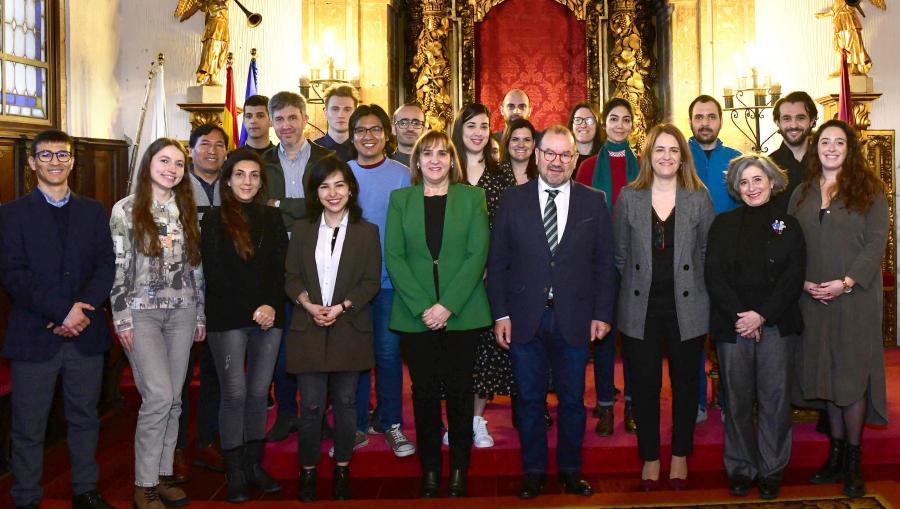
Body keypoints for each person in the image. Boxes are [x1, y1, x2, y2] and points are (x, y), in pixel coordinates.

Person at [488, 125, 616, 500]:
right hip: (525, 317)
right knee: (528, 401)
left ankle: (571, 471)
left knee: (574, 401)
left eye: (565, 155)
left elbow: (605, 265)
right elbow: (498, 263)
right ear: (537, 155)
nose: (557, 161)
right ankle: (533, 472)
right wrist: (500, 314)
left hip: (574, 319)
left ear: (575, 159)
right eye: (550, 153)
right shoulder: (513, 199)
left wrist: (603, 314)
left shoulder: (594, 201)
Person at [0, 130, 116, 509]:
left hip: (85, 331)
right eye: (46, 155)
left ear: (72, 161)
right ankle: (27, 497)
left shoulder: (92, 210)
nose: (55, 162)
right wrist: (59, 312)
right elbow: (13, 273)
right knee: (29, 425)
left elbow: (105, 266)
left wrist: (81, 309)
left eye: (62, 155)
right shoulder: (11, 214)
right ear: (31, 162)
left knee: (84, 417)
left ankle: (85, 489)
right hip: (35, 335)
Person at [385, 129, 492, 498]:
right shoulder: (401, 199)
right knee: (425, 394)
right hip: (416, 317)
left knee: (461, 393)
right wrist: (423, 307)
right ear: (417, 161)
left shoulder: (472, 197)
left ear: (452, 160)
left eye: (442, 154)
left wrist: (447, 305)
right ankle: (430, 468)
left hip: (461, 314)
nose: (434, 160)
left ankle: (460, 467)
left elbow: (476, 255)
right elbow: (394, 257)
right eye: (427, 154)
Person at [789, 119, 889, 498]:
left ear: (850, 148)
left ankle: (852, 462)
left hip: (854, 298)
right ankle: (833, 457)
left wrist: (845, 282)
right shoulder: (801, 193)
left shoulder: (870, 190)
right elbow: (789, 241)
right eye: (825, 142)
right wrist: (799, 281)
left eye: (839, 142)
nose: (831, 147)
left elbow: (877, 243)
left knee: (850, 375)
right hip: (812, 299)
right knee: (826, 375)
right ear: (816, 148)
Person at [614, 123, 715, 491]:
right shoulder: (629, 196)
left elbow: (706, 252)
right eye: (659, 150)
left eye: (673, 150)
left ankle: (680, 455)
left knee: (687, 384)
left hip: (687, 306)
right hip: (640, 308)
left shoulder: (698, 197)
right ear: (648, 156)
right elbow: (621, 255)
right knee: (644, 385)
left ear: (682, 156)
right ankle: (652, 457)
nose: (667, 156)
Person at [109, 137, 206, 509]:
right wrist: (121, 320)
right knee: (159, 396)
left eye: (179, 164)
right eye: (164, 161)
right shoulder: (126, 209)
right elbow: (117, 268)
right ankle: (144, 484)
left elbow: (195, 264)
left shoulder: (185, 207)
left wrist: (199, 314)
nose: (171, 169)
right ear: (149, 163)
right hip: (141, 313)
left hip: (182, 313)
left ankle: (163, 474)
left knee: (176, 399)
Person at [705, 154, 805, 500]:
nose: (751, 187)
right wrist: (744, 318)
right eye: (744, 182)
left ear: (772, 183)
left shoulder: (788, 225)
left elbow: (793, 279)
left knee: (775, 400)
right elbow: (714, 277)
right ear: (735, 187)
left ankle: (772, 469)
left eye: (757, 180)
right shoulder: (723, 224)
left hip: (777, 324)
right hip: (733, 326)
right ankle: (741, 468)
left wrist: (762, 315)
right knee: (736, 400)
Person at [285, 156, 382, 502]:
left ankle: (342, 467)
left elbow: (371, 281)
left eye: (339, 184)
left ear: (351, 189)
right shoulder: (303, 229)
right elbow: (291, 276)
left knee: (344, 404)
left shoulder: (366, 232)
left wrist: (341, 307)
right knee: (310, 407)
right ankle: (307, 471)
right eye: (324, 186)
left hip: (349, 327)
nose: (333, 192)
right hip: (308, 327)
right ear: (316, 192)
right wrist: (308, 304)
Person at [200, 149, 287, 502]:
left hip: (269, 315)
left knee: (257, 393)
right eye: (240, 175)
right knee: (234, 393)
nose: (247, 182)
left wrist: (269, 305)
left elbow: (281, 266)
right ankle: (234, 470)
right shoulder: (214, 219)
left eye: (254, 175)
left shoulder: (272, 218)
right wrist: (254, 307)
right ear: (228, 179)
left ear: (261, 181)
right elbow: (216, 274)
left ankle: (254, 465)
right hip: (228, 316)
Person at [263, 91, 335, 442]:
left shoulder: (327, 157)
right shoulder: (260, 162)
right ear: (272, 123)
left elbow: (323, 205)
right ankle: (287, 413)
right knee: (281, 343)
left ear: (305, 119)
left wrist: (281, 205)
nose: (287, 126)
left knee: (317, 340)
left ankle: (317, 414)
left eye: (293, 118)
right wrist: (290, 206)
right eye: (280, 120)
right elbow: (262, 207)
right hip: (275, 262)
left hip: (319, 259)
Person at [347, 104, 415, 457]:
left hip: (390, 282)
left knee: (388, 356)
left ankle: (391, 423)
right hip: (350, 286)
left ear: (387, 135)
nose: (368, 136)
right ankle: (356, 425)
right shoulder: (340, 174)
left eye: (375, 130)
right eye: (361, 130)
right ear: (351, 134)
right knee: (357, 357)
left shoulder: (403, 174)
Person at [451, 103, 517, 448]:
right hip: (449, 276)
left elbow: (507, 228)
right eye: (471, 125)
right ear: (459, 128)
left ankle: (476, 420)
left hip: (491, 277)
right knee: (453, 350)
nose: (478, 132)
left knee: (485, 351)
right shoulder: (444, 168)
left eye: (483, 126)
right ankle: (455, 420)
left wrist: (494, 265)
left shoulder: (500, 172)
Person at [574, 97, 638, 437]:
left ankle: (630, 402)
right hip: (596, 264)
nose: (619, 125)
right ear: (604, 123)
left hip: (634, 264)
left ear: (631, 125)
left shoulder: (643, 166)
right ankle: (605, 404)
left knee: (630, 337)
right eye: (613, 119)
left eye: (625, 120)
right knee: (602, 336)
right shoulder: (585, 168)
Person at [688, 94, 741, 424]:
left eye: (711, 116)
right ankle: (695, 402)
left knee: (725, 335)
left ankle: (725, 399)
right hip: (687, 262)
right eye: (699, 117)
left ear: (720, 121)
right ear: (690, 121)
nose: (705, 122)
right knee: (692, 337)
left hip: (728, 263)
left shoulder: (736, 160)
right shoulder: (678, 156)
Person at [177, 124, 227, 479]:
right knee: (178, 376)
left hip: (222, 294)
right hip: (180, 294)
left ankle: (209, 441)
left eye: (219, 145)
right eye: (204, 144)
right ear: (190, 150)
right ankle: (175, 449)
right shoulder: (175, 184)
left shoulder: (234, 184)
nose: (212, 150)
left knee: (216, 374)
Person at [771, 91, 818, 209]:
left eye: (800, 118)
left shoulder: (826, 161)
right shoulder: (767, 166)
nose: (793, 125)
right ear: (778, 122)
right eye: (787, 118)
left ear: (812, 121)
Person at [314, 84, 358, 162]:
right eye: (335, 109)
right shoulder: (311, 151)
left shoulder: (364, 149)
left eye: (347, 109)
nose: (341, 115)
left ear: (355, 113)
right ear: (325, 113)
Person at [500, 117, 539, 185]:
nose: (521, 145)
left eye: (527, 140)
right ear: (507, 142)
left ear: (533, 144)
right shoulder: (495, 173)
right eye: (515, 139)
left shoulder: (543, 174)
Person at [391, 102, 426, 166]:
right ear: (393, 129)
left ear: (424, 130)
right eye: (403, 123)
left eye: (416, 123)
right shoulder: (382, 166)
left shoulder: (434, 165)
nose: (410, 129)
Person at [568, 102, 602, 169]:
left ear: (597, 125)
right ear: (572, 125)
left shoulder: (607, 156)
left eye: (589, 120)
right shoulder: (561, 156)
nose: (583, 125)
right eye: (578, 120)